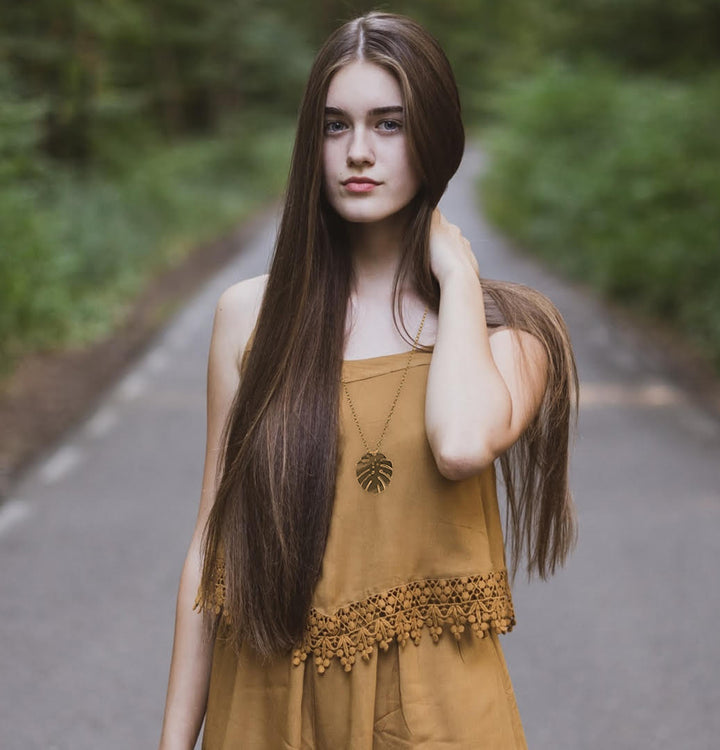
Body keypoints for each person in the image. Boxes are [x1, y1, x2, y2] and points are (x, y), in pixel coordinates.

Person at [158, 10, 578, 750]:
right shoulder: (249, 317)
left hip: (435, 716)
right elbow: (208, 546)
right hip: (265, 699)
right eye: (334, 126)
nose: (358, 153)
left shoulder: (510, 332)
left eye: (389, 124)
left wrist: (455, 272)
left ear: (435, 138)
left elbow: (460, 443)